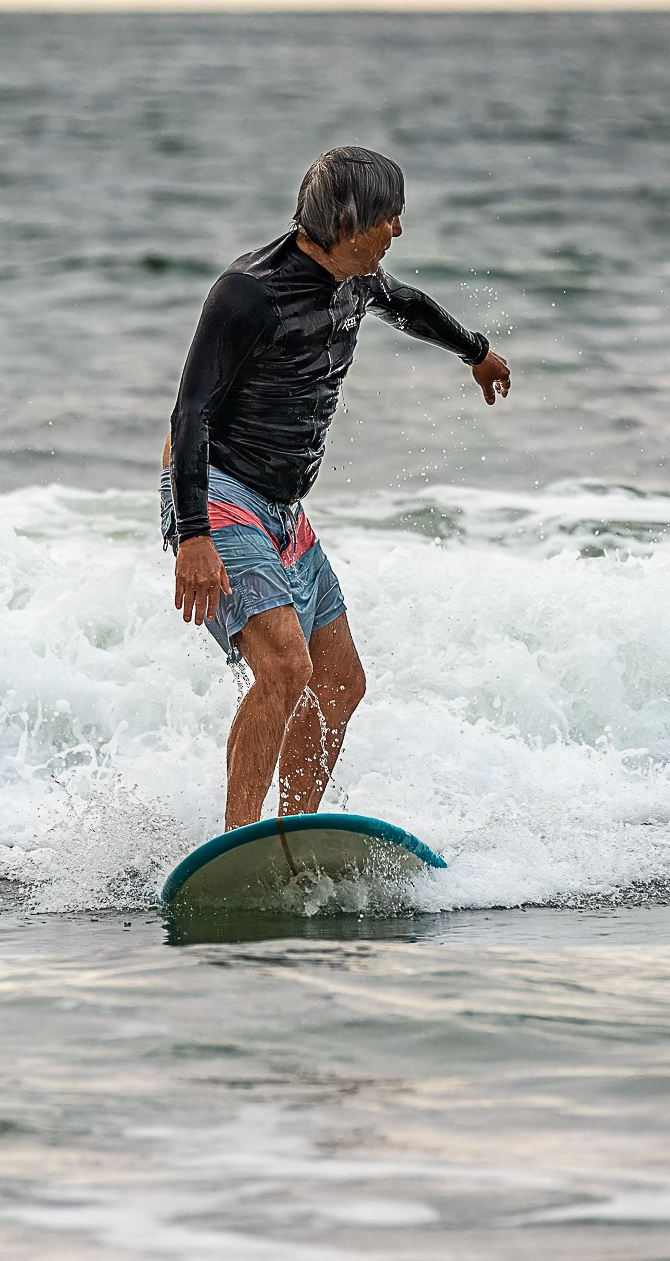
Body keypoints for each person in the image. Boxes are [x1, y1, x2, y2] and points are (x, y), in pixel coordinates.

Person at [159, 146, 512, 831]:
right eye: (391, 218)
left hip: (284, 514)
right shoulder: (246, 294)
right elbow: (190, 412)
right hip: (221, 496)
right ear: (350, 221)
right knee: (285, 670)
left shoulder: (357, 283)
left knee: (341, 683)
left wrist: (477, 351)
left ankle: (288, 836)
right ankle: (236, 842)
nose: (398, 232)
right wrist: (192, 535)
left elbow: (407, 305)